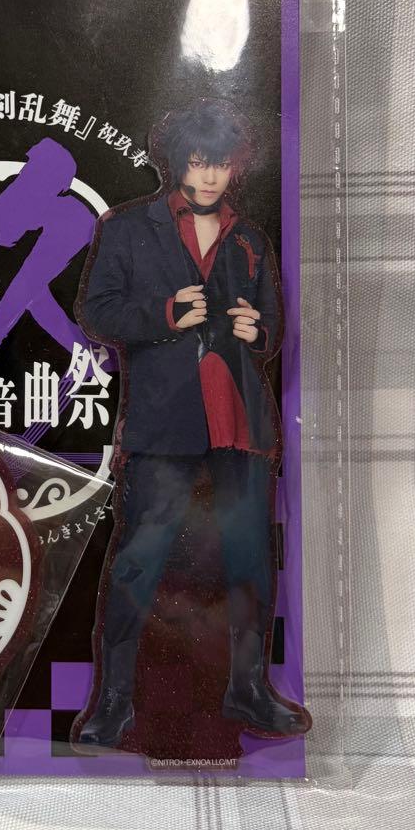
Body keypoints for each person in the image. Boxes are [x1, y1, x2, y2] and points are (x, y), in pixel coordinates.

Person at [73, 98, 311, 750]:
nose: (209, 176)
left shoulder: (250, 238)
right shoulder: (128, 227)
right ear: (176, 160)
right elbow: (98, 312)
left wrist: (257, 331)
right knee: (138, 562)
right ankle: (113, 702)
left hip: (243, 426)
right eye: (199, 161)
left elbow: (272, 326)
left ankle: (249, 690)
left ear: (236, 167)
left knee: (251, 563)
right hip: (164, 423)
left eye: (222, 164)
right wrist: (165, 313)